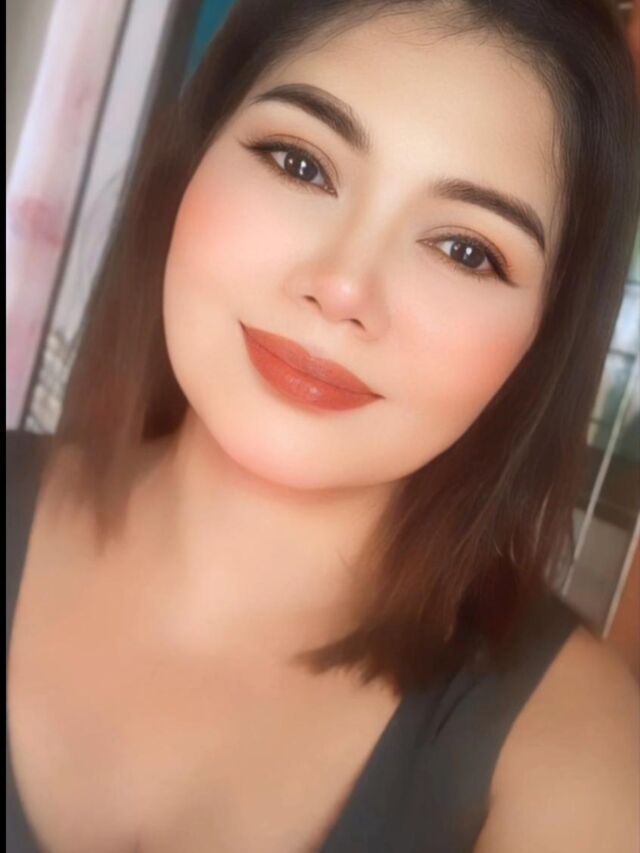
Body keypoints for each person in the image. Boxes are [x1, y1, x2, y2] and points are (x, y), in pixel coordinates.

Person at [6, 1, 640, 850]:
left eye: (466, 250)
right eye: (300, 164)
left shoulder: (574, 750)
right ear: (192, 159)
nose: (342, 288)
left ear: (543, 343)